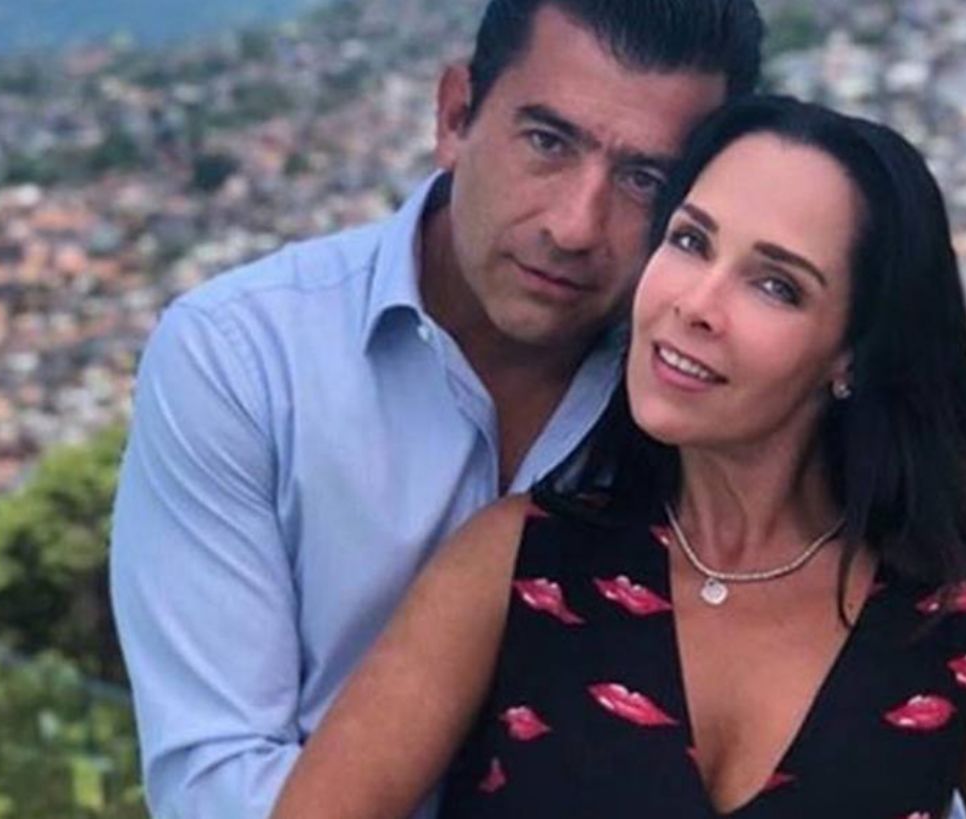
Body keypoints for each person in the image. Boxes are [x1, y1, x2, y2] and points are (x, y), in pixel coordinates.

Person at [269, 96, 966, 819]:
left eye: (775, 284)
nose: (696, 303)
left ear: (852, 355)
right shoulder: (516, 568)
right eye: (689, 241)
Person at [108, 2, 764, 817]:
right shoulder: (247, 361)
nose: (574, 227)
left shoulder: (718, 393)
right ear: (456, 115)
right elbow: (216, 781)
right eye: (547, 142)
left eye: (645, 181)